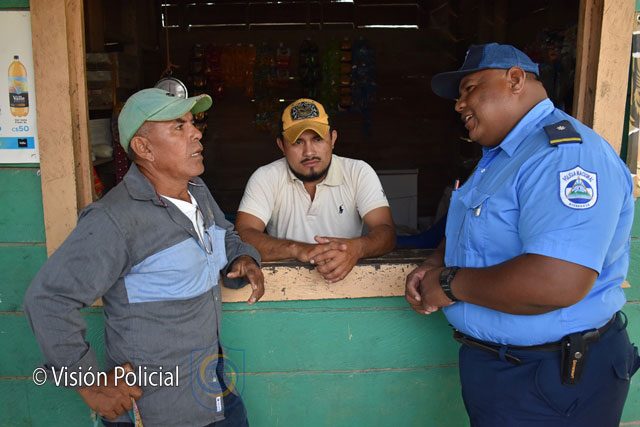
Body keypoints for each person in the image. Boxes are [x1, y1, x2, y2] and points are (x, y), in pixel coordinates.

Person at [405, 43, 639, 426]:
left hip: (554, 377)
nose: (459, 105)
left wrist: (448, 284)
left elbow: (557, 282)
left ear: (514, 79)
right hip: (507, 368)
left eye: (469, 89)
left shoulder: (563, 156)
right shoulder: (504, 157)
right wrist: (435, 262)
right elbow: (475, 225)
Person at [24, 88, 265, 427]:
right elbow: (48, 299)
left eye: (193, 122)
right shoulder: (115, 219)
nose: (196, 133)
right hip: (156, 409)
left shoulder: (197, 191)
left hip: (212, 387)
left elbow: (225, 235)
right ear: (143, 148)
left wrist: (244, 257)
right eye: (178, 126)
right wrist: (88, 383)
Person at [236, 98, 395, 283]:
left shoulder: (358, 172)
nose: (309, 152)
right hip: (284, 287)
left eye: (317, 139)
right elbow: (244, 234)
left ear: (333, 139)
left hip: (350, 286)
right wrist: (299, 249)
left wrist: (356, 249)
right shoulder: (266, 177)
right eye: (297, 142)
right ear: (281, 146)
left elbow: (386, 232)